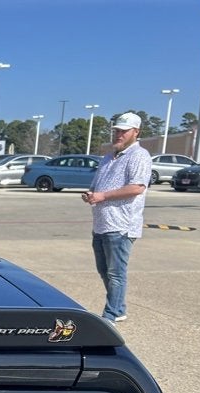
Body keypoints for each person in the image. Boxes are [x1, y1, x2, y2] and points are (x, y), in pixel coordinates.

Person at [81, 112, 152, 323]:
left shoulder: (139, 156)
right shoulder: (108, 157)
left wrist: (103, 196)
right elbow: (97, 185)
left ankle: (110, 315)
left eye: (123, 131)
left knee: (116, 273)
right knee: (104, 270)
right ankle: (119, 309)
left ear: (136, 132)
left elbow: (137, 187)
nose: (118, 135)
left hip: (121, 225)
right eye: (116, 131)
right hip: (101, 224)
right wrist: (91, 194)